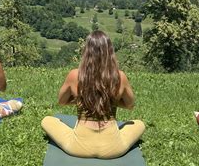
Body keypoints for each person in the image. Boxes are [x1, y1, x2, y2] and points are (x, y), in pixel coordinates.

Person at [41, 30, 145, 159]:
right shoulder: (120, 77)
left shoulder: (74, 75)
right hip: (114, 149)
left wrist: (82, 100)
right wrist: (109, 102)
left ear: (87, 51)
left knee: (47, 120)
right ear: (110, 52)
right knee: (139, 124)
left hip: (77, 148)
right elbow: (130, 105)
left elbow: (62, 101)